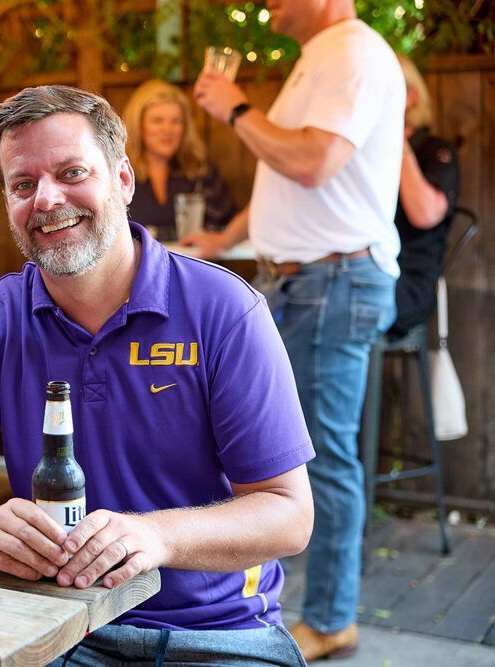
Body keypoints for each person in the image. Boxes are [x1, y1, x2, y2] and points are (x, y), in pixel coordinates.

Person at [0, 85, 315, 666]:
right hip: (53, 628)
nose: (47, 199)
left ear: (123, 180)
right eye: (23, 184)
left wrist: (157, 537)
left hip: (216, 639)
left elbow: (289, 514)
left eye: (71, 171)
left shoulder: (224, 310)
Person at [190, 0, 405, 660]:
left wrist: (234, 110)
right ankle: (255, 602)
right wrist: (223, 238)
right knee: (263, 451)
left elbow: (313, 161)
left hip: (333, 283)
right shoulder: (322, 57)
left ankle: (333, 616)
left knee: (322, 461)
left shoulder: (352, 51)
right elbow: (289, 179)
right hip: (305, 282)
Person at [389, 54, 460, 338]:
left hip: (408, 281)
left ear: (411, 96)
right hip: (366, 271)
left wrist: (396, 137)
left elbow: (425, 214)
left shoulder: (435, 150)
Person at [122, 80, 236, 239]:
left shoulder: (200, 171)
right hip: (140, 263)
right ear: (138, 125)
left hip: (193, 262)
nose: (167, 130)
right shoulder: (118, 174)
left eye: (176, 121)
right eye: (157, 121)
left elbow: (226, 227)